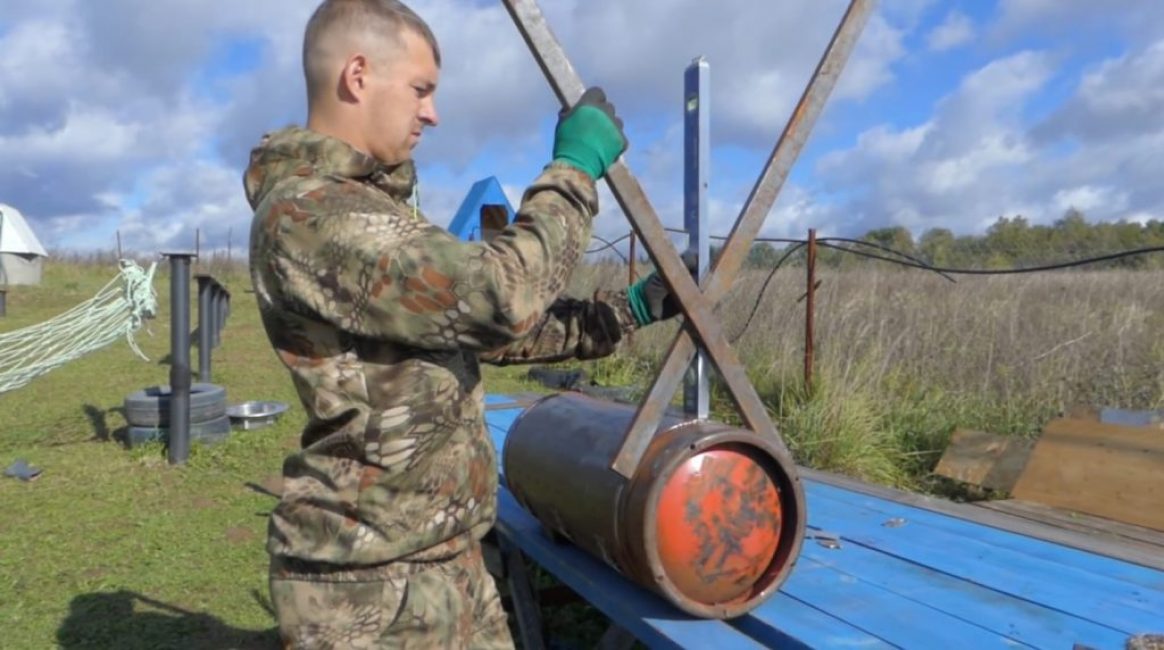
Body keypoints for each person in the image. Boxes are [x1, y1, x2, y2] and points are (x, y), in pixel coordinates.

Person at [242, 1, 682, 648]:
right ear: (358, 76)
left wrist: (630, 310)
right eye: (421, 90)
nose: (433, 113)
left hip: (445, 561)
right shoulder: (311, 213)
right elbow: (498, 297)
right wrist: (573, 172)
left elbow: (487, 329)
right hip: (372, 584)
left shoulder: (371, 209)